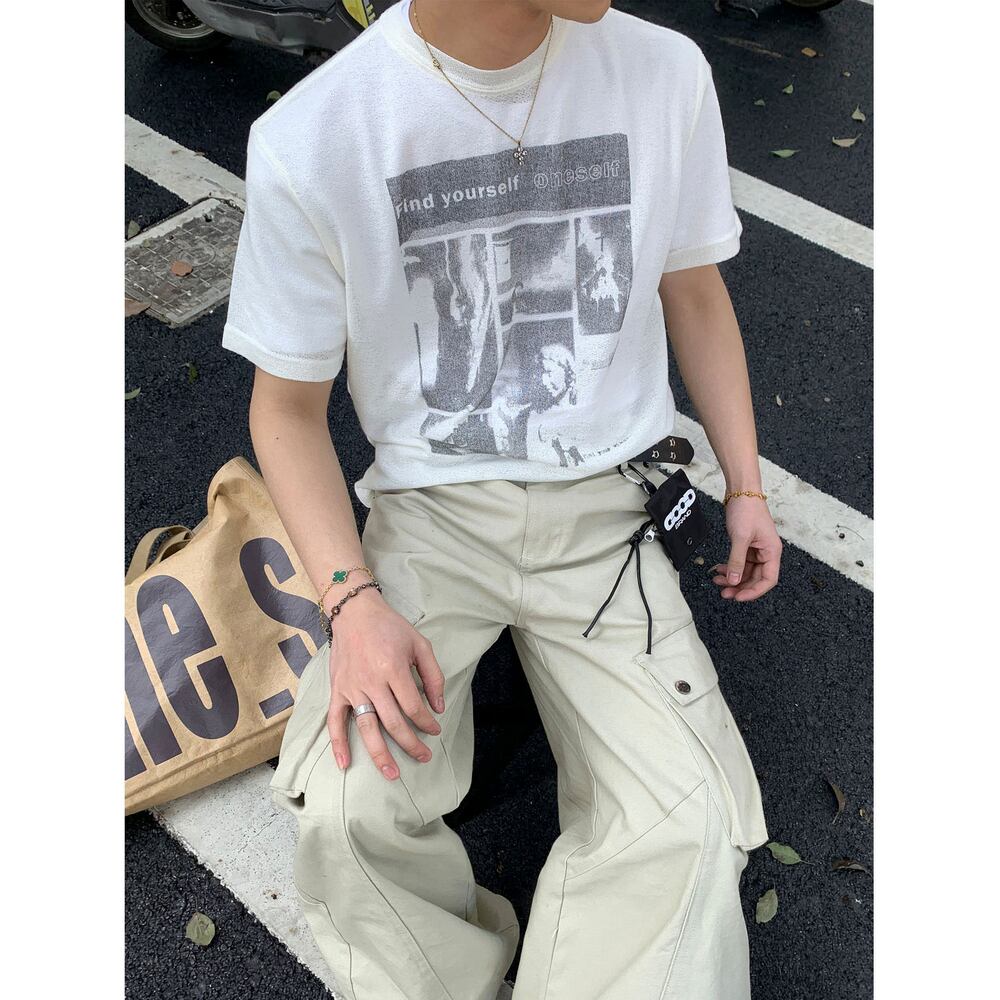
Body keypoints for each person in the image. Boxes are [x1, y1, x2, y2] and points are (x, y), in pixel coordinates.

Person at [221, 1, 782, 997]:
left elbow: (693, 289)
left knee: (688, 820)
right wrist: (352, 605)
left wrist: (745, 483)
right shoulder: (315, 134)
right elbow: (286, 412)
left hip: (608, 507)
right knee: (346, 813)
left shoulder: (666, 72)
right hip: (432, 517)